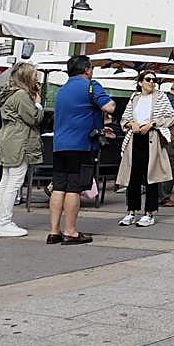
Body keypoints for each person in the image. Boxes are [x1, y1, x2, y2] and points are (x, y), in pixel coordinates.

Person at [50, 55, 114, 245]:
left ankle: (54, 231)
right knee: (74, 188)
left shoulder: (61, 90)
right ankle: (70, 231)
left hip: (59, 144)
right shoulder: (91, 86)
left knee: (59, 186)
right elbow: (109, 107)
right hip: (80, 145)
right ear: (87, 69)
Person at [0, 62, 42, 238]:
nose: (37, 78)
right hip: (20, 140)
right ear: (27, 77)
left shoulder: (10, 94)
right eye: (34, 75)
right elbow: (33, 118)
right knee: (14, 183)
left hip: (8, 138)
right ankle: (4, 222)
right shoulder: (21, 95)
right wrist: (38, 105)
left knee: (5, 181)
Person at [116, 72, 174, 228]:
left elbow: (170, 117)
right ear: (140, 82)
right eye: (148, 79)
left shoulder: (161, 97)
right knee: (133, 176)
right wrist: (131, 125)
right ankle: (131, 211)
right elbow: (124, 119)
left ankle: (150, 213)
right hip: (135, 139)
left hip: (153, 139)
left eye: (154, 80)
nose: (152, 82)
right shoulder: (134, 98)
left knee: (152, 177)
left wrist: (152, 124)